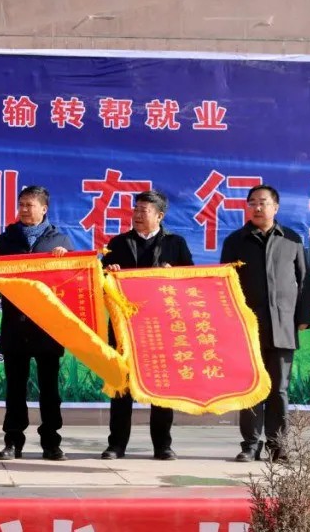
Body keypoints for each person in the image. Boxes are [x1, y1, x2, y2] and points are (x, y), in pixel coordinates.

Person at [220, 184, 310, 463]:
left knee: (279, 389)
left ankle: (278, 445)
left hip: (283, 325)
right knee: (250, 387)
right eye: (252, 203)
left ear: (276, 207)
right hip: (247, 326)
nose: (257, 208)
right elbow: (224, 284)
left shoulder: (292, 239)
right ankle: (250, 445)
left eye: (263, 202)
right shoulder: (236, 241)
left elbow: (304, 281)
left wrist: (303, 318)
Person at [101, 189, 193, 461]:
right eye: (136, 209)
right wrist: (110, 273)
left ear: (159, 216)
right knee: (121, 388)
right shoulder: (118, 242)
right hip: (124, 327)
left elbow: (189, 281)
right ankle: (116, 445)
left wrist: (173, 276)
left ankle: (162, 446)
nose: (138, 215)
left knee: (162, 388)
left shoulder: (175, 243)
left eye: (144, 210)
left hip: (160, 327)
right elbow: (101, 279)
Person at [0, 185, 72, 461]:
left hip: (48, 326)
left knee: (49, 390)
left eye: (29, 205)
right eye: (21, 204)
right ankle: (13, 441)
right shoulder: (6, 239)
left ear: (44, 209)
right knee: (15, 389)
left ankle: (51, 442)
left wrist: (66, 261)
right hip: (15, 325)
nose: (23, 209)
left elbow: (70, 281)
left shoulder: (59, 241)